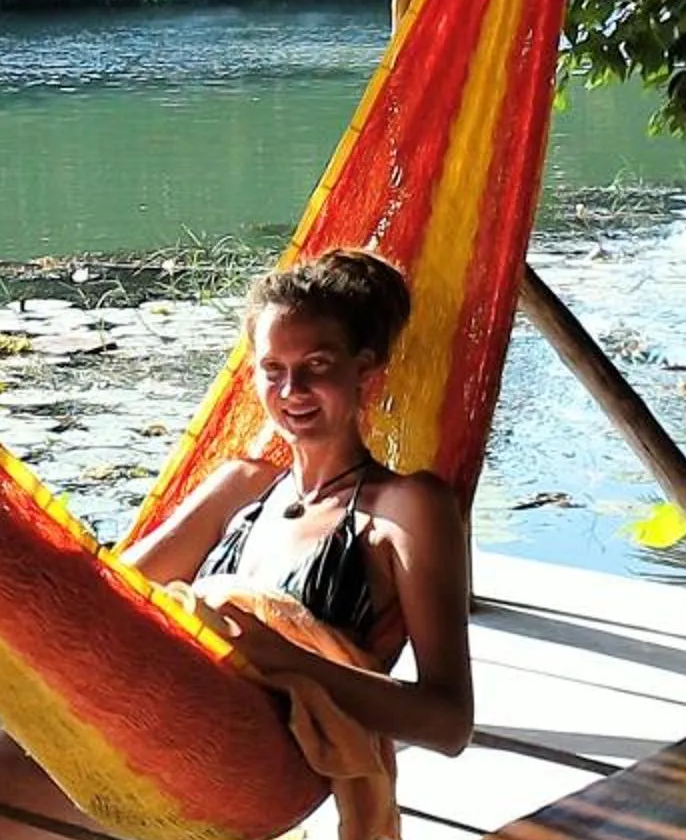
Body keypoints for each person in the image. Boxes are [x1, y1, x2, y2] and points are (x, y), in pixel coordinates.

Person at [120, 248, 475, 761]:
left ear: (365, 373)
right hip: (149, 710)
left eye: (317, 365)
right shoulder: (240, 487)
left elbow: (448, 723)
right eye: (273, 369)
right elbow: (104, 595)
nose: (293, 389)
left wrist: (283, 659)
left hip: (251, 756)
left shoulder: (404, 506)